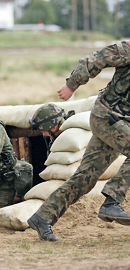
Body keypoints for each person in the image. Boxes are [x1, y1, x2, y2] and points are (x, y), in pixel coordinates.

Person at [27, 41, 130, 242]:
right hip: (107, 117)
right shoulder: (127, 49)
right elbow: (97, 59)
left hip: (119, 122)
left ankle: (42, 217)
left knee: (85, 178)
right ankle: (112, 202)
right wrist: (71, 84)